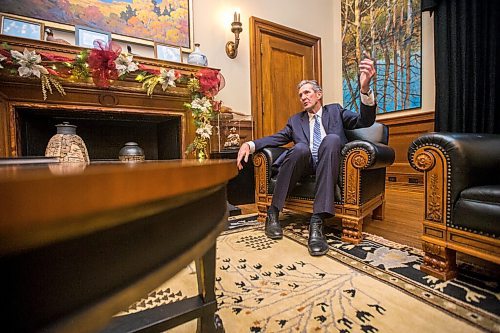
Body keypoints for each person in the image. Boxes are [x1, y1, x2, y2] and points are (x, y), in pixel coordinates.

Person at [236, 57, 376, 256]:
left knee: (332, 139)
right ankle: (273, 213)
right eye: (300, 94)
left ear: (319, 95)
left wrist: (364, 89)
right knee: (301, 148)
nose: (303, 97)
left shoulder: (335, 111)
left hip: (331, 163)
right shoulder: (295, 121)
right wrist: (249, 144)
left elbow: (365, 120)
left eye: (307, 92)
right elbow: (277, 138)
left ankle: (317, 221)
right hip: (306, 165)